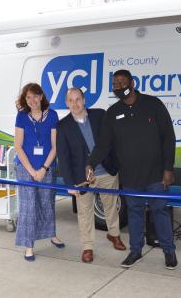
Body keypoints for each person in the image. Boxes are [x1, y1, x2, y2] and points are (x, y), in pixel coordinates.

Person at [86, 69, 178, 269]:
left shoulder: (153, 105)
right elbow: (103, 145)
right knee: (134, 214)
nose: (119, 87)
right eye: (115, 85)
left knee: (159, 212)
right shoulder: (113, 112)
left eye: (122, 83)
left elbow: (168, 137)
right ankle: (135, 251)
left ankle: (169, 252)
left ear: (132, 83)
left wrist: (168, 168)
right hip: (130, 177)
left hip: (156, 175)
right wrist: (91, 163)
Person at [56, 87, 126, 263]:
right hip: (81, 179)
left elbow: (114, 140)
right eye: (70, 100)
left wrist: (118, 163)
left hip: (106, 171)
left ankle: (114, 235)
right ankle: (87, 247)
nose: (75, 103)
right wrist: (70, 183)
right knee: (85, 212)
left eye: (78, 99)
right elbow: (63, 158)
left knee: (111, 207)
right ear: (66, 103)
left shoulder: (99, 116)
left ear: (84, 100)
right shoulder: (63, 126)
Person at [13, 83, 65, 262]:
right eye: (28, 97)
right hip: (25, 168)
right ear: (25, 100)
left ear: (41, 96)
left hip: (47, 167)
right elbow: (18, 146)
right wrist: (32, 171)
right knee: (28, 207)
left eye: (35, 96)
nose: (32, 100)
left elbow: (55, 146)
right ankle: (29, 245)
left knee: (47, 203)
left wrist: (43, 169)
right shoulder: (21, 116)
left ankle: (52, 234)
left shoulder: (52, 115)